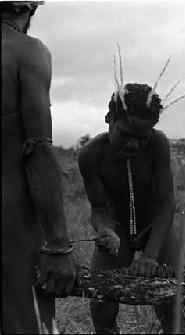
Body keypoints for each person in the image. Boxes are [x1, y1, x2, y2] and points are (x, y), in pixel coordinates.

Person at [78, 83, 180, 333]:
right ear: (109, 119)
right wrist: (105, 230)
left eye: (141, 138)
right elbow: (99, 209)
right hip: (118, 230)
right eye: (126, 134)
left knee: (170, 303)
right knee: (102, 304)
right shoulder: (91, 154)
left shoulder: (158, 145)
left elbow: (167, 203)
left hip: (155, 227)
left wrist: (151, 256)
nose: (133, 145)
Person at [2, 2, 78, 333]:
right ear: (28, 8)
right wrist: (58, 244)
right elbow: (38, 150)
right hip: (12, 231)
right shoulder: (27, 52)